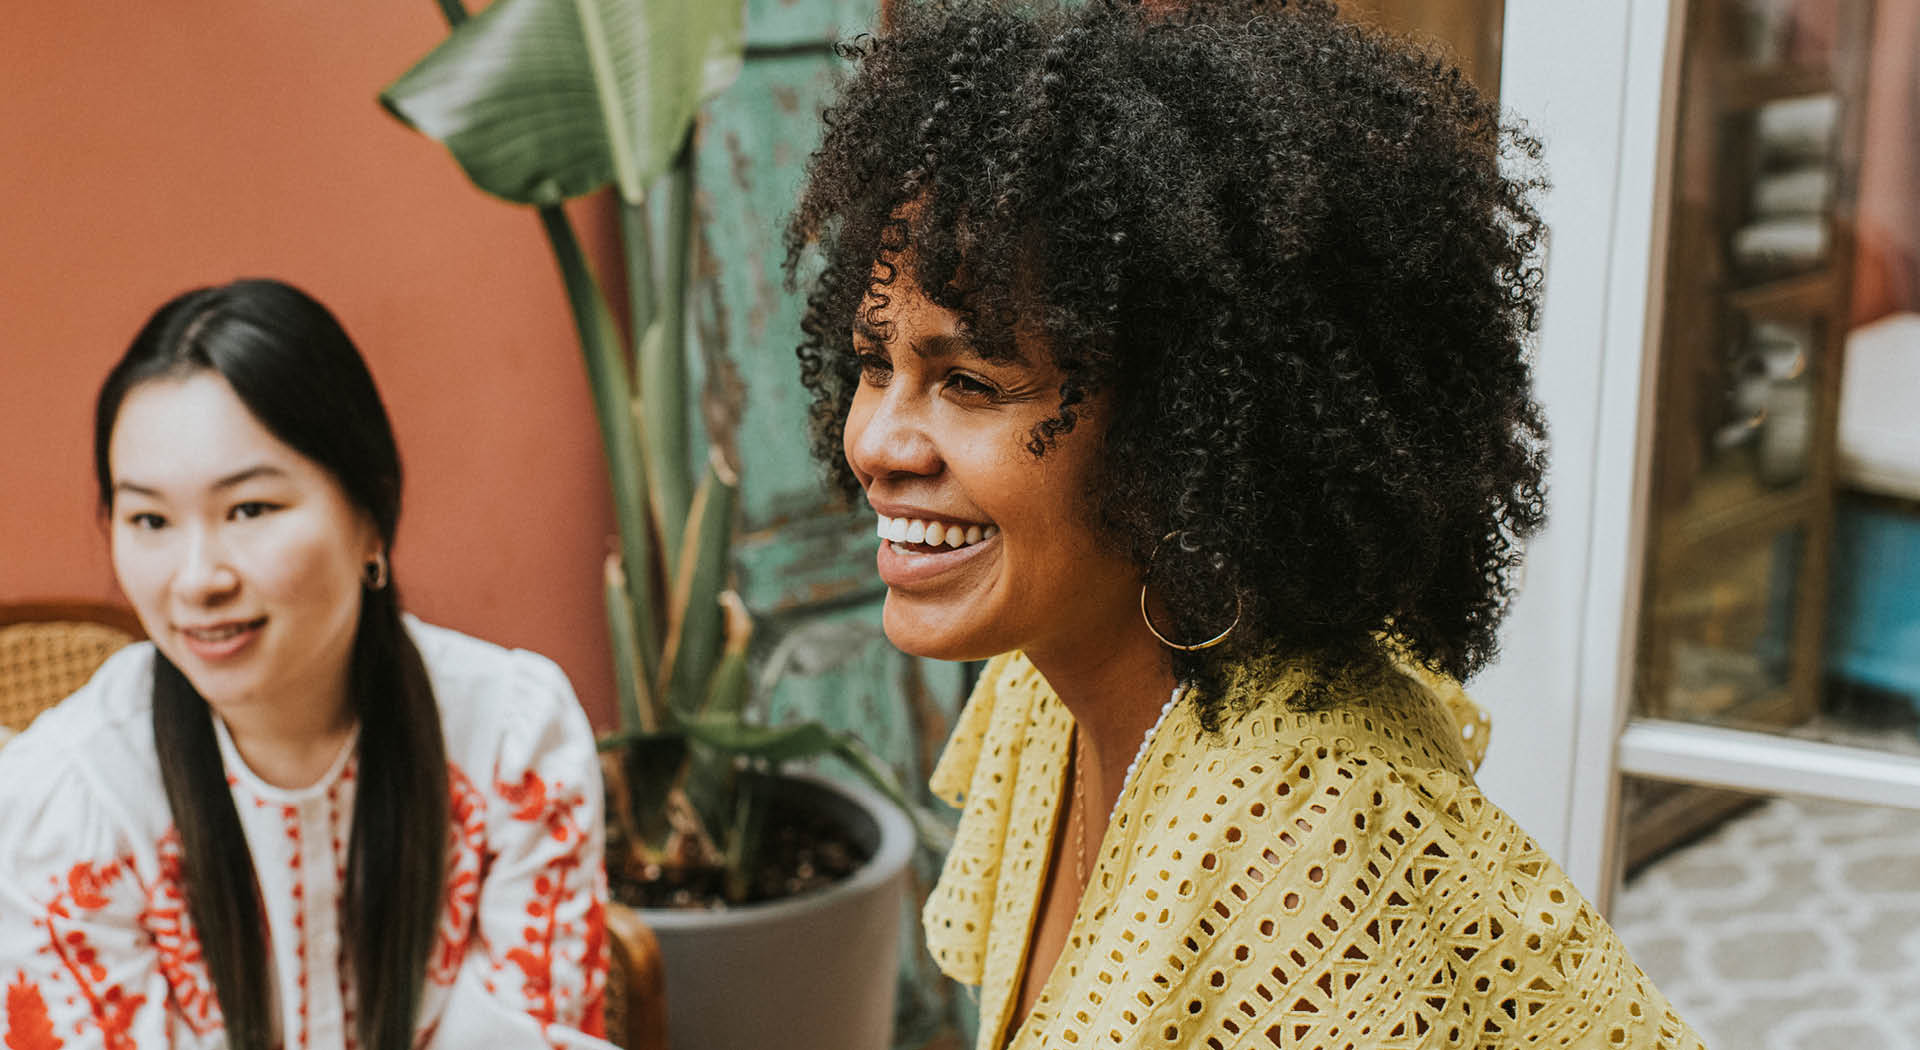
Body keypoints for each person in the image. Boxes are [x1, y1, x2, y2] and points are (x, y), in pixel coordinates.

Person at [784, 1, 1707, 1047]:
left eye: (970, 381)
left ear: (1176, 430)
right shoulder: (1043, 691)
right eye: (876, 365)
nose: (881, 444)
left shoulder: (1301, 843)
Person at [0, 279, 611, 1050]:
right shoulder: (65, 807)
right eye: (150, 519)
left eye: (250, 509)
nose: (197, 579)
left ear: (371, 516)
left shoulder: (513, 746)